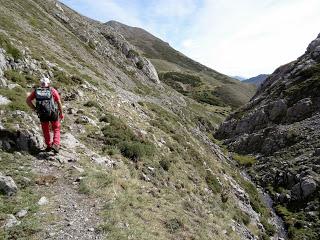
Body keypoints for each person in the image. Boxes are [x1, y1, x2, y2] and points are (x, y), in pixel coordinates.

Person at [26, 77, 64, 153]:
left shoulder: (36, 91)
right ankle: (56, 144)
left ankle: (49, 146)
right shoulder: (52, 90)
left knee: (45, 130)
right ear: (48, 83)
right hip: (53, 113)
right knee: (56, 128)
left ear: (41, 84)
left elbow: (28, 100)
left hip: (42, 114)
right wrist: (61, 113)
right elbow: (59, 102)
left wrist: (35, 108)